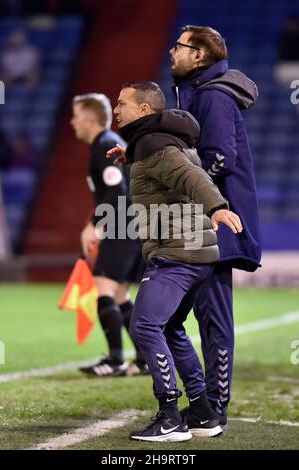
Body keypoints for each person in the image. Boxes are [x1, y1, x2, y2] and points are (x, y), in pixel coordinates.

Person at [109, 81, 242, 442]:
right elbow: (170, 171)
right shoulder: (157, 142)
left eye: (122, 103)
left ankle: (169, 416)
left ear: (144, 110)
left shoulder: (154, 145)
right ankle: (201, 411)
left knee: (145, 327)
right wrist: (129, 155)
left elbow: (190, 176)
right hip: (194, 251)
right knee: (169, 328)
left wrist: (217, 206)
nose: (116, 108)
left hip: (176, 251)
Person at [169, 26, 261, 423]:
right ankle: (204, 402)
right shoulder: (200, 92)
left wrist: (174, 183)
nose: (172, 51)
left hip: (217, 222)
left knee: (212, 317)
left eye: (180, 46)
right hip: (204, 219)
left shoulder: (213, 96)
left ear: (200, 56)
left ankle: (213, 408)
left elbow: (220, 158)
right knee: (175, 315)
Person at [70, 92, 148, 377]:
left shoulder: (105, 145)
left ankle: (115, 360)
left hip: (122, 227)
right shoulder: (109, 144)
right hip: (133, 225)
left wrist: (95, 225)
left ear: (90, 119)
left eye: (76, 116)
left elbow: (117, 192)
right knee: (118, 296)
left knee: (103, 287)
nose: (72, 122)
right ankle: (145, 358)